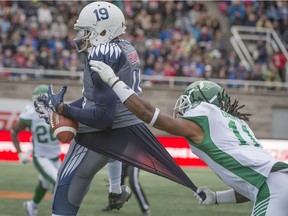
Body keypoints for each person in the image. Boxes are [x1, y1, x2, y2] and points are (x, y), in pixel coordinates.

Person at [34, 2, 198, 215]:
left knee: (65, 191)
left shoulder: (101, 52)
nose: (82, 36)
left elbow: (103, 117)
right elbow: (98, 100)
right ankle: (115, 188)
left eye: (87, 31)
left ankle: (114, 188)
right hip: (125, 130)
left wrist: (63, 109)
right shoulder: (126, 48)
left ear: (103, 30)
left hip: (102, 133)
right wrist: (60, 108)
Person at [89, 60, 288, 216]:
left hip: (272, 188)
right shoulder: (236, 125)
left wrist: (115, 82)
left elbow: (149, 115)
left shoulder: (204, 114)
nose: (182, 108)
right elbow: (250, 186)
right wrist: (217, 198)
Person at [10, 84, 61, 216]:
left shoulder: (57, 110)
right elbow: (14, 131)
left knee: (45, 184)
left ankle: (31, 206)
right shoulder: (31, 113)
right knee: (59, 181)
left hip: (55, 156)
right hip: (41, 156)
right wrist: (20, 153)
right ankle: (58, 212)